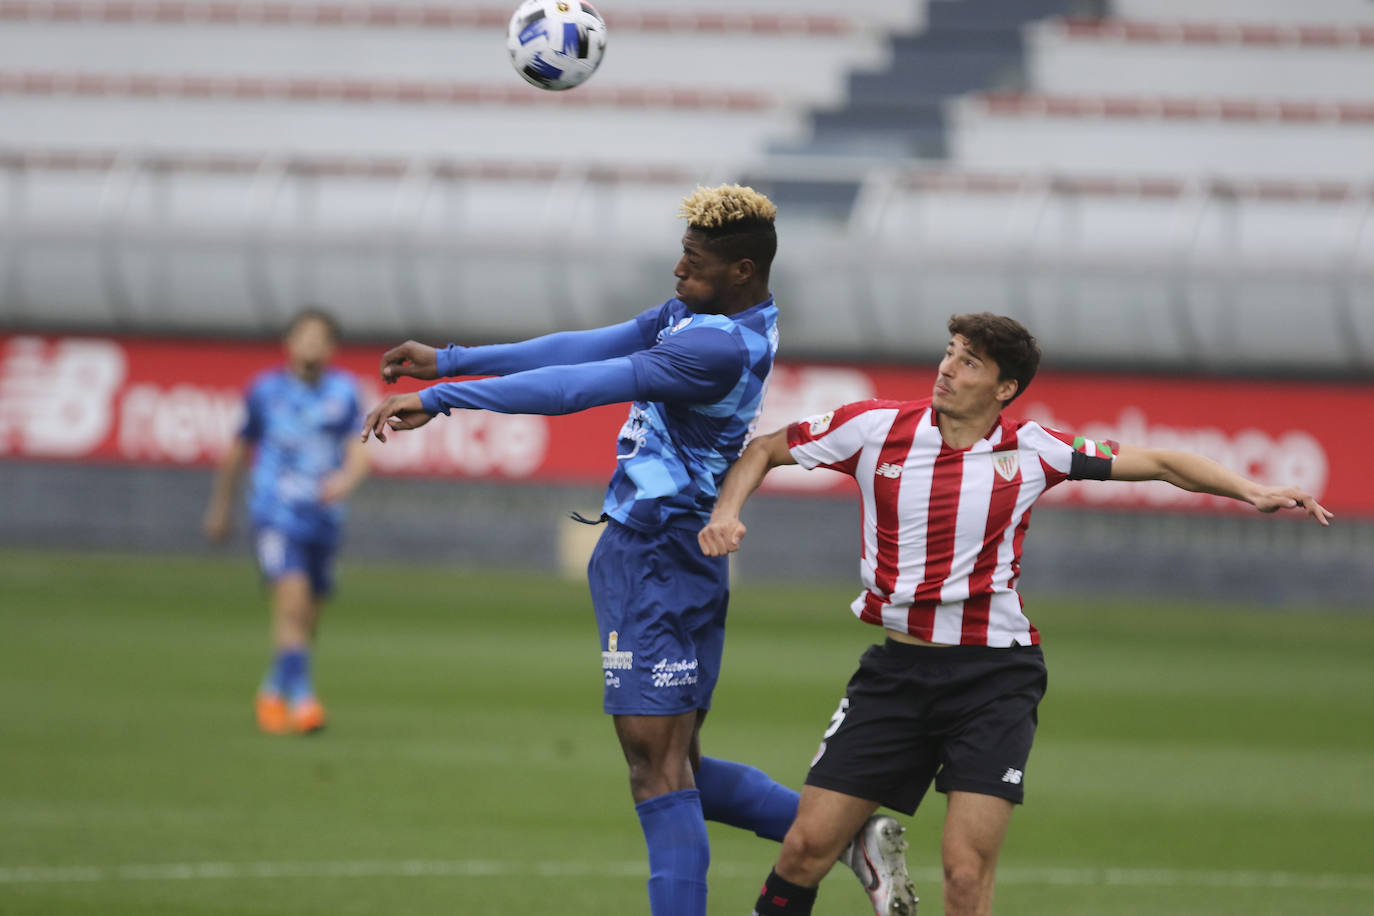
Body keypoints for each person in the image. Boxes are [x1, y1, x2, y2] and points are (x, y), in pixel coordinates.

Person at [358, 185, 912, 916]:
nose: (677, 272)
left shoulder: (716, 347)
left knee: (657, 771)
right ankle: (847, 838)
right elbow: (587, 344)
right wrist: (452, 360)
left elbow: (580, 386)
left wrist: (444, 399)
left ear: (742, 269)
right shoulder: (707, 313)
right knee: (677, 762)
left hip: (660, 557)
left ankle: (835, 840)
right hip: (665, 556)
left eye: (694, 261)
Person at [698, 312, 1333, 916]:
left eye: (969, 362)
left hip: (993, 680)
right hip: (895, 675)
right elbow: (764, 449)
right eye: (949, 353)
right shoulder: (873, 428)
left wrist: (1253, 490)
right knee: (806, 847)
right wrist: (727, 511)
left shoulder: (1036, 448)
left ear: (1004, 388)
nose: (947, 369)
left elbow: (1163, 463)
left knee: (966, 872)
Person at [203, 307, 370, 735]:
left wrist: (346, 480)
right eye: (305, 337)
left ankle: (272, 690)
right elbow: (239, 449)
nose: (312, 345)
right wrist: (221, 507)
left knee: (309, 616)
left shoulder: (344, 392)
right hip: (276, 514)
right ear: (290, 343)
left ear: (331, 348)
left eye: (321, 338)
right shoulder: (265, 391)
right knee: (291, 603)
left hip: (325, 517)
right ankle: (304, 702)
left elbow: (359, 452)